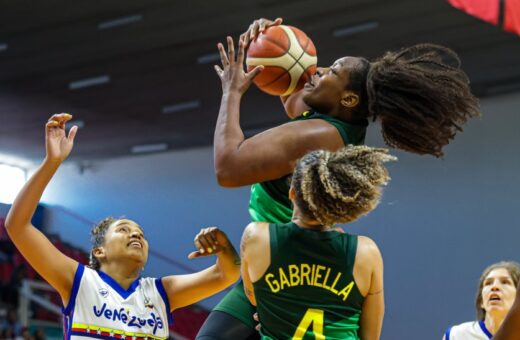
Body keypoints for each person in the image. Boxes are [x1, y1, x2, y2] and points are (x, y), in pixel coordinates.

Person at [197, 17, 481, 339]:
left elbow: (228, 168)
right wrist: (275, 41)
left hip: (286, 255)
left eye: (332, 71)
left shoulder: (320, 135)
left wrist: (232, 91)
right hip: (285, 250)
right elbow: (293, 93)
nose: (319, 70)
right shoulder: (335, 119)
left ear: (348, 99)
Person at [5, 114, 240, 339]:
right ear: (99, 251)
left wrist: (224, 247)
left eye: (141, 233)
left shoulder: (160, 292)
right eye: (124, 230)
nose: (136, 233)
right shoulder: (79, 281)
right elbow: (17, 225)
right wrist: (51, 163)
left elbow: (226, 273)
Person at [241, 145, 392, 339]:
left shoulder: (256, 237)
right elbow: (370, 336)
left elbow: (254, 298)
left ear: (292, 193)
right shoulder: (365, 252)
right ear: (340, 202)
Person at [443, 261, 520, 339]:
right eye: (488, 283)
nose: (494, 287)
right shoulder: (456, 335)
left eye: (505, 282)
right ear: (481, 301)